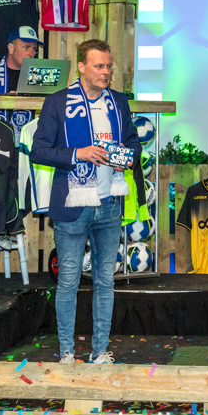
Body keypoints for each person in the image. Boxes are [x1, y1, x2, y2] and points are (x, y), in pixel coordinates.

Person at [30, 39, 141, 364]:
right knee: (68, 281)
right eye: (99, 66)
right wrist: (78, 153)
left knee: (106, 281)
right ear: (81, 66)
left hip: (110, 203)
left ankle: (100, 352)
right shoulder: (57, 102)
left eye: (109, 66)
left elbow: (133, 143)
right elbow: (39, 151)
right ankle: (67, 353)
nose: (106, 72)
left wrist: (128, 157)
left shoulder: (118, 102)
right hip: (73, 204)